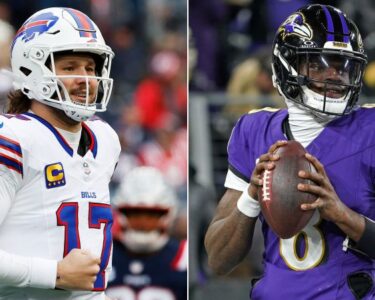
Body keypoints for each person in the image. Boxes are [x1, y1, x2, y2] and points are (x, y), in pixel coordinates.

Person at [205, 4, 375, 300]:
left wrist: (344, 215)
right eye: (318, 64)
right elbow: (219, 260)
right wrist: (250, 198)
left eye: (342, 65)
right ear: (287, 65)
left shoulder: (370, 130)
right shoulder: (253, 130)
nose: (334, 75)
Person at [0, 7, 120, 300]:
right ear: (32, 68)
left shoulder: (105, 139)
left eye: (90, 68)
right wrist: (54, 273)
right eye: (70, 68)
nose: (86, 79)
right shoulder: (13, 138)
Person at [106, 166, 187, 300]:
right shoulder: (102, 255)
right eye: (134, 214)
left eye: (151, 216)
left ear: (168, 215)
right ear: (121, 214)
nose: (143, 224)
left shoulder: (184, 258)